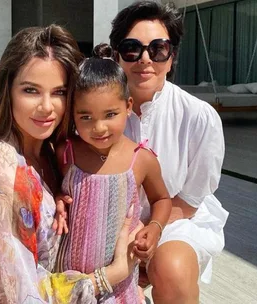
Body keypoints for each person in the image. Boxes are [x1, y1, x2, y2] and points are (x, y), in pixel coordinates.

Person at [0, 25, 142, 304]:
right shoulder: (0, 174)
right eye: (31, 90)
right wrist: (110, 276)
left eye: (59, 92)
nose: (47, 107)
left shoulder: (48, 151)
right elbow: (18, 296)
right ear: (7, 90)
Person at [109, 1, 229, 303]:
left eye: (158, 49)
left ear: (171, 56)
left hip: (176, 223)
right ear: (116, 56)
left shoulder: (199, 116)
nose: (145, 59)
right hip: (108, 221)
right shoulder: (95, 114)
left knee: (171, 268)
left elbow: (190, 200)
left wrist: (149, 234)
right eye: (132, 48)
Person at [53, 44, 172, 303]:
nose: (99, 127)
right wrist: (57, 196)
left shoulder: (141, 159)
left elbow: (162, 199)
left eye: (110, 114)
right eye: (85, 117)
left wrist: (155, 227)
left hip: (117, 285)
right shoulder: (66, 151)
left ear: (128, 106)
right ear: (72, 114)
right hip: (69, 277)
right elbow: (49, 187)